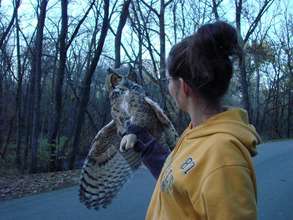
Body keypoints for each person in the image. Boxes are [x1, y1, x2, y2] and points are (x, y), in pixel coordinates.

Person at [120, 21, 261, 220]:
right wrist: (148, 147)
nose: (168, 87)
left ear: (184, 87)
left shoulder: (223, 157)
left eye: (168, 80)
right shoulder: (197, 133)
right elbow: (184, 178)